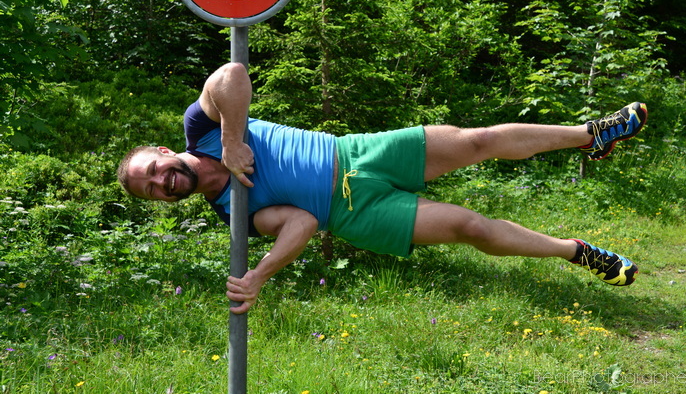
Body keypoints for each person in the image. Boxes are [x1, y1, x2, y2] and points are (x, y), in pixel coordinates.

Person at [118, 63, 648, 314]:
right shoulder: (227, 210)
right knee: (469, 227)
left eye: (154, 170)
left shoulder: (201, 128)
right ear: (162, 199)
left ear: (163, 153)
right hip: (354, 213)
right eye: (153, 191)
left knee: (476, 140)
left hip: (354, 152)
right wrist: (257, 276)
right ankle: (578, 253)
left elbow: (231, 74)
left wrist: (232, 141)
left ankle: (591, 135)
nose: (162, 182)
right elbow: (299, 223)